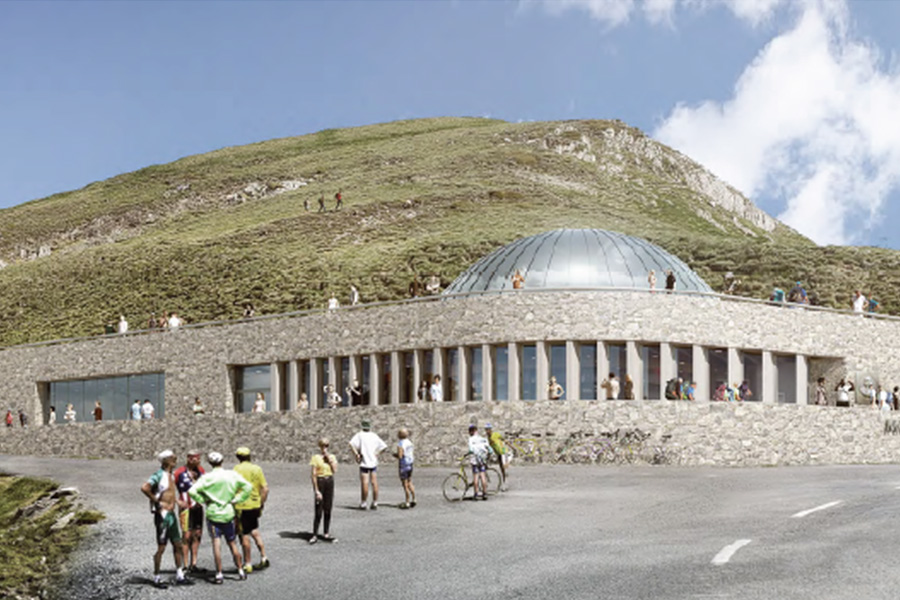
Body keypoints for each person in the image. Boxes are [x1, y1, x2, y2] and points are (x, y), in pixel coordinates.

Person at [188, 452, 251, 585]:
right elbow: (247, 487)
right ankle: (240, 569)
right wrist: (237, 499)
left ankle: (219, 573)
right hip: (228, 512)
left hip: (213, 513)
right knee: (232, 542)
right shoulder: (231, 475)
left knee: (216, 544)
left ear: (210, 463)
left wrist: (203, 500)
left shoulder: (207, 478)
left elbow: (192, 491)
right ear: (222, 461)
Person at [140, 450, 191, 588]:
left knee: (177, 544)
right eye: (172, 458)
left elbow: (170, 492)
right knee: (161, 547)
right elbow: (145, 487)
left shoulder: (171, 475)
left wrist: (177, 502)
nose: (175, 459)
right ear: (165, 460)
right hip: (162, 514)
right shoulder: (159, 475)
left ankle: (179, 574)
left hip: (171, 513)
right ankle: (156, 577)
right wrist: (156, 501)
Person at [233, 447, 270, 573]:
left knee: (244, 534)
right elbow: (265, 488)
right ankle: (264, 557)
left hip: (242, 506)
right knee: (254, 530)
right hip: (255, 504)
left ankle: (247, 563)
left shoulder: (236, 470)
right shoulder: (257, 469)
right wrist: (261, 502)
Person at [174, 451, 206, 573]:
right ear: (188, 459)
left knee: (197, 534)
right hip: (185, 507)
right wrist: (177, 501)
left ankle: (194, 563)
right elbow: (170, 487)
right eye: (192, 459)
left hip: (198, 506)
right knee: (186, 535)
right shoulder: (180, 472)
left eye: (197, 459)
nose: (195, 461)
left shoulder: (201, 472)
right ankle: (185, 564)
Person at [349, 420, 387, 510]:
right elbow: (384, 446)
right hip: (373, 461)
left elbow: (351, 444)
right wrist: (377, 453)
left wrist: (356, 454)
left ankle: (363, 502)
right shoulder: (374, 436)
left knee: (364, 482)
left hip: (364, 462)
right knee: (374, 482)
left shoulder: (360, 435)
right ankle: (375, 502)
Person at [309, 437, 338, 543]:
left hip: (329, 481)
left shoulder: (332, 457)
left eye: (326, 446)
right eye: (322, 445)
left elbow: (334, 470)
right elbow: (313, 474)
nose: (324, 448)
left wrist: (329, 459)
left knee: (328, 508)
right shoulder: (315, 458)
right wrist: (316, 490)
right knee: (318, 509)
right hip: (320, 480)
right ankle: (315, 534)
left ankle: (326, 532)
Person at [467, 425, 491, 501]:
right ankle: (485, 493)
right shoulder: (482, 439)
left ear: (471, 431)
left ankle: (476, 494)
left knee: (476, 477)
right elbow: (490, 450)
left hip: (475, 460)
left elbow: (471, 449)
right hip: (482, 460)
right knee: (483, 476)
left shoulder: (471, 439)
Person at [393, 428, 416, 509]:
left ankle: (407, 501)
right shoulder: (410, 443)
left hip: (404, 465)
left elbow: (400, 455)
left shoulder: (401, 444)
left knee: (405, 484)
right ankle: (414, 498)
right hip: (410, 464)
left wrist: (394, 455)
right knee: (410, 482)